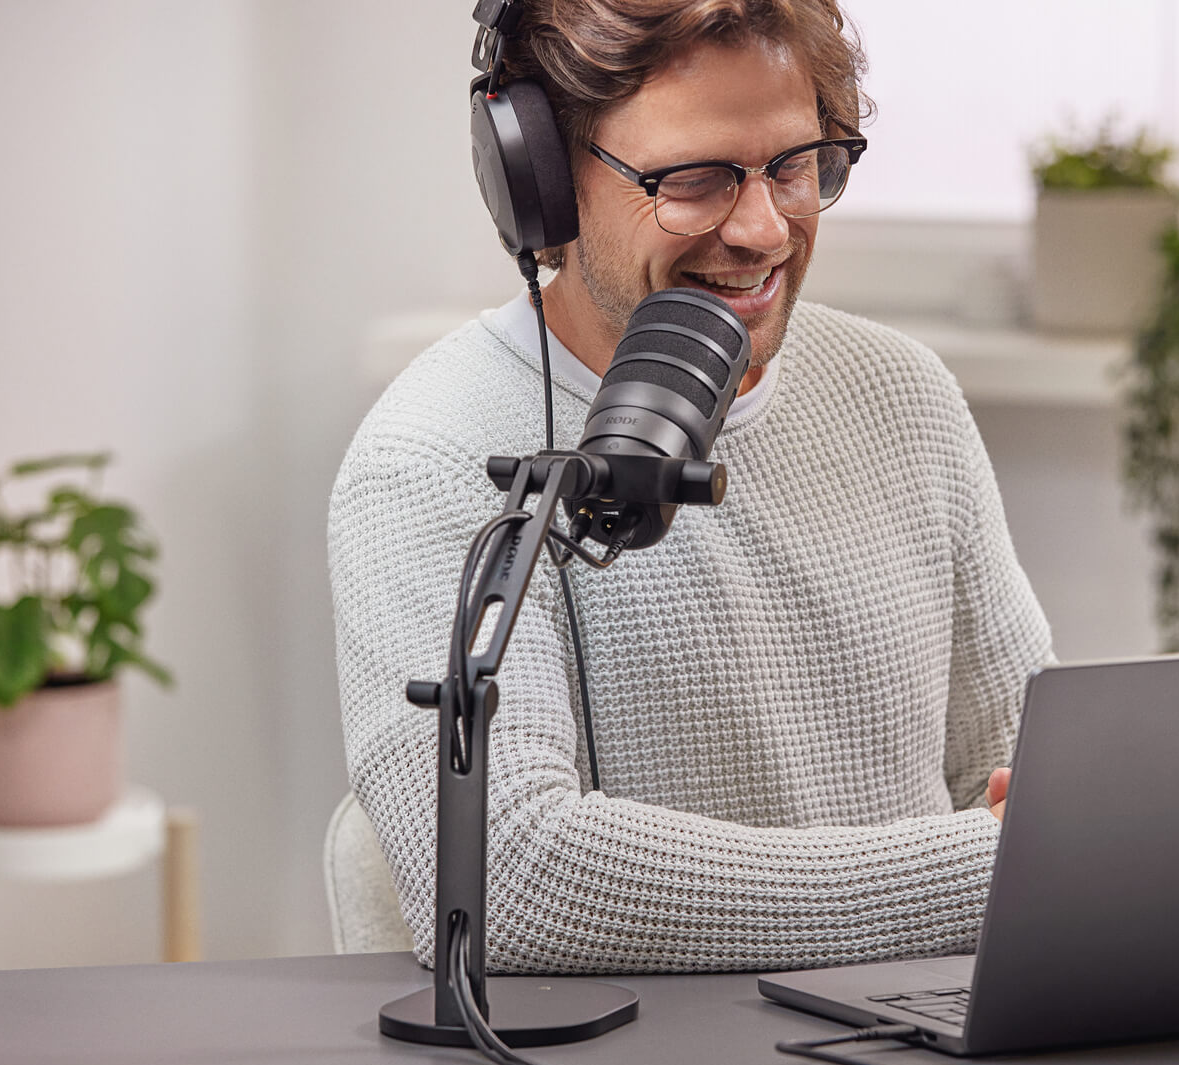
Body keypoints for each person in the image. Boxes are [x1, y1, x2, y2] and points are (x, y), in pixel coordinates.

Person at [329, 0, 1052, 974]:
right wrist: (987, 875)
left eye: (795, 165)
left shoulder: (903, 396)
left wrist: (1042, 851)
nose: (762, 229)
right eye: (695, 179)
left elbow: (1030, 782)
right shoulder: (431, 456)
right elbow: (509, 880)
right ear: (539, 180)